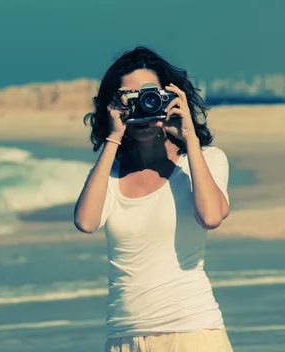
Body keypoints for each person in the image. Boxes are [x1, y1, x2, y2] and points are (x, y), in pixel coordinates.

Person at [74, 47, 234, 352]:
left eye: (150, 94)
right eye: (129, 98)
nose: (142, 106)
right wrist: (113, 136)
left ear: (171, 96)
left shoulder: (204, 160)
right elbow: (85, 222)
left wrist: (190, 137)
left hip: (192, 330)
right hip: (124, 336)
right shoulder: (109, 172)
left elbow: (211, 216)